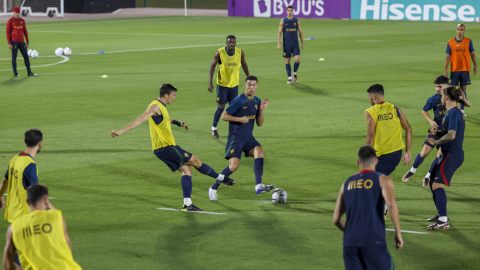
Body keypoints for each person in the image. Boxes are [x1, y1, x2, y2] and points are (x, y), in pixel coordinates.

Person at [110, 83, 235, 212]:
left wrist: (179, 123)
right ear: (166, 95)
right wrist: (120, 132)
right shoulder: (155, 106)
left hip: (164, 148)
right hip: (166, 147)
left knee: (187, 170)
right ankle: (222, 178)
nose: (174, 98)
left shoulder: (161, 107)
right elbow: (139, 120)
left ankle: (188, 204)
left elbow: (165, 118)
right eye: (173, 95)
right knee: (196, 161)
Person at [333, 145, 403, 270]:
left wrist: (352, 234)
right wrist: (398, 232)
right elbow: (391, 205)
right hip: (373, 241)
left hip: (350, 244)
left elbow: (336, 219)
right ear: (376, 161)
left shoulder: (346, 183)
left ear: (358, 162)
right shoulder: (382, 180)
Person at [208, 75, 274, 201]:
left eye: (254, 85)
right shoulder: (239, 100)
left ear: (257, 86)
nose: (251, 87)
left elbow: (259, 124)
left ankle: (258, 185)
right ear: (245, 85)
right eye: (249, 84)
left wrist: (261, 111)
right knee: (233, 167)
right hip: (236, 138)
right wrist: (239, 119)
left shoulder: (257, 101)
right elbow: (224, 116)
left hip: (248, 137)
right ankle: (213, 188)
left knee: (259, 152)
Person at [403, 76, 471, 184]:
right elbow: (424, 110)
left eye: (440, 86)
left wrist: (463, 99)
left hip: (447, 131)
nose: (437, 89)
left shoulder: (452, 96)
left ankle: (428, 175)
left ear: (447, 86)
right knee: (424, 152)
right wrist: (431, 121)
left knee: (440, 154)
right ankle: (412, 170)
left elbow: (469, 104)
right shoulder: (433, 99)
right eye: (436, 86)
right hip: (435, 129)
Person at [3, 184, 81, 270]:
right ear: (46, 200)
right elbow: (67, 247)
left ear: (27, 202)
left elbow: (7, 265)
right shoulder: (56, 216)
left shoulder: (14, 228)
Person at [424, 87, 465, 230]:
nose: (440, 98)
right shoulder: (452, 112)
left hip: (452, 155)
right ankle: (442, 215)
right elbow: (447, 133)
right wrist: (437, 132)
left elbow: (452, 135)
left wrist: (435, 142)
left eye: (442, 96)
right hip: (447, 154)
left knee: (437, 185)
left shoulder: (453, 113)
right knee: (432, 184)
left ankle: (443, 220)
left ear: (447, 97)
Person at [365, 84, 412, 176]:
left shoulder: (371, 111)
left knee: (369, 181)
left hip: (381, 155)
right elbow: (408, 129)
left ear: (373, 97)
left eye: (369, 97)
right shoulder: (395, 109)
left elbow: (370, 135)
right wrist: (408, 151)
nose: (369, 99)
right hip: (397, 154)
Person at [208, 35, 250, 138]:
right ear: (226, 43)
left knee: (233, 108)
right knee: (221, 107)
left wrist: (248, 77)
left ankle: (234, 131)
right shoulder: (220, 53)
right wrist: (210, 83)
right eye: (229, 42)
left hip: (234, 85)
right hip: (222, 85)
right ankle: (214, 128)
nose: (232, 44)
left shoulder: (240, 53)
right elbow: (212, 66)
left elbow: (244, 65)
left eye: (233, 42)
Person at [0, 129, 45, 223]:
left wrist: (0, 196)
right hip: (25, 215)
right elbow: (35, 192)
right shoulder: (30, 164)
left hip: (13, 212)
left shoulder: (15, 159)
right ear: (39, 143)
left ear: (25, 141)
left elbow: (4, 181)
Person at [444, 23, 476, 116]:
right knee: (452, 90)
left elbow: (473, 54)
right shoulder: (450, 42)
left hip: (465, 70)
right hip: (454, 70)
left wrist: (475, 66)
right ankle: (452, 108)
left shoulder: (468, 41)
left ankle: (461, 110)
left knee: (463, 90)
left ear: (464, 31)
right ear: (456, 30)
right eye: (458, 29)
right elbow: (447, 56)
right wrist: (445, 69)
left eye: (462, 30)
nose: (460, 31)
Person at [277, 5, 305, 84]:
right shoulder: (283, 21)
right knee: (288, 60)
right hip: (287, 44)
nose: (289, 12)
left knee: (297, 59)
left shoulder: (297, 21)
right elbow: (279, 33)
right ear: (286, 11)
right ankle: (289, 78)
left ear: (293, 11)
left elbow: (300, 32)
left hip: (295, 44)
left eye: (291, 10)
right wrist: (278, 44)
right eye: (288, 10)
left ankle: (294, 73)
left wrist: (303, 43)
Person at [6, 7, 36, 77]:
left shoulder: (22, 21)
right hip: (14, 42)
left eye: (18, 13)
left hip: (22, 42)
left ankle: (29, 72)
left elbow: (25, 31)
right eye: (16, 12)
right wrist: (9, 43)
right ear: (13, 13)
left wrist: (27, 41)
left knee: (26, 56)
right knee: (14, 57)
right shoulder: (10, 21)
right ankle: (15, 73)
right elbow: (8, 33)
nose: (17, 14)